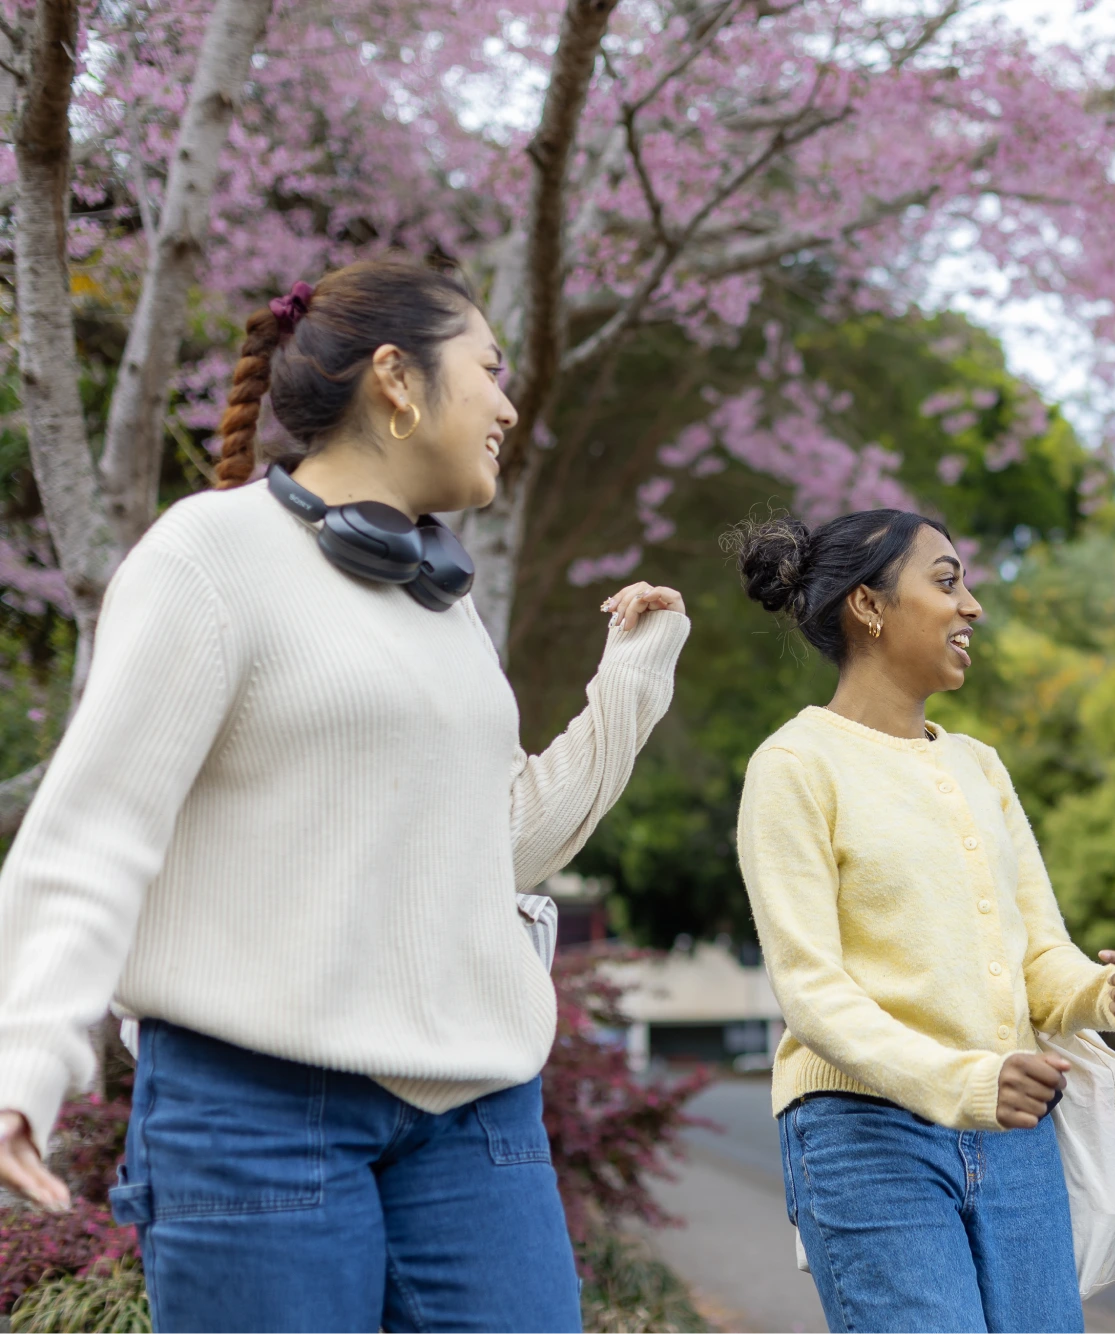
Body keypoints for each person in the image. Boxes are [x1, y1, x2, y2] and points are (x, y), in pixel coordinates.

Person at [0, 260, 690, 1332]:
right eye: (489, 370)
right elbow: (97, 827)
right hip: (255, 1106)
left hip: (474, 1107)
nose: (510, 404)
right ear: (396, 380)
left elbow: (492, 845)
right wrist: (24, 1058)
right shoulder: (208, 556)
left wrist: (631, 683)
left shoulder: (440, 607)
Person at [730, 509, 1115, 1333]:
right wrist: (964, 1083)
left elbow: (1039, 951)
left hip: (1010, 1130)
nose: (971, 605)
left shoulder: (979, 765)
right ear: (868, 606)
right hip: (865, 1133)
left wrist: (1108, 993)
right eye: (946, 581)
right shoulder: (794, 767)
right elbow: (811, 992)